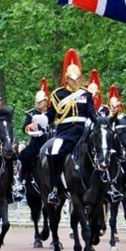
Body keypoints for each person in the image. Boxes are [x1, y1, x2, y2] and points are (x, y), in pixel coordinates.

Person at [44, 48, 97, 206]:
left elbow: (91, 114)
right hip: (65, 132)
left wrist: (101, 122)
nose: (75, 82)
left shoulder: (86, 94)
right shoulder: (58, 95)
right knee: (54, 151)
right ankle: (54, 188)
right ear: (66, 79)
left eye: (77, 79)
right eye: (72, 79)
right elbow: (50, 115)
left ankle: (107, 186)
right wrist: (39, 121)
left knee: (102, 150)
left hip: (83, 131)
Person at [19, 77, 51, 188]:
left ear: (46, 102)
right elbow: (24, 128)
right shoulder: (31, 114)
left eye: (40, 102)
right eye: (37, 102)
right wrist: (29, 127)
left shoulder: (52, 113)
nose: (38, 104)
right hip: (37, 142)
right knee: (24, 156)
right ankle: (22, 181)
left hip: (50, 140)